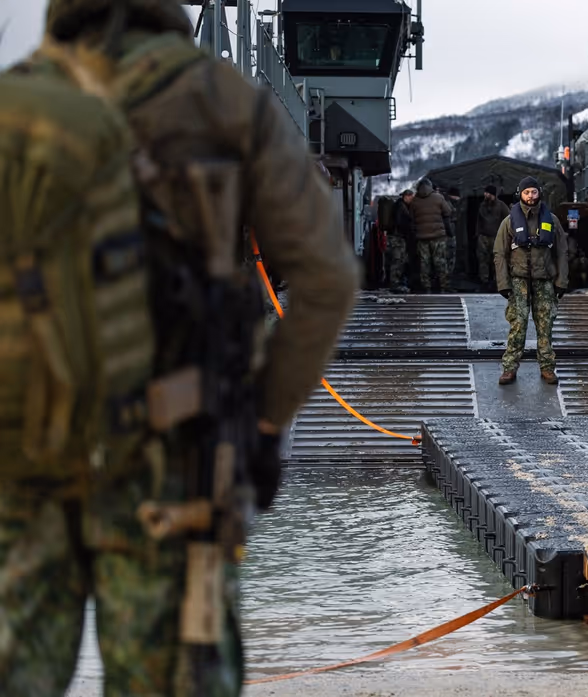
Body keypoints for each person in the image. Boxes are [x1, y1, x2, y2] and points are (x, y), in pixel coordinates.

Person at [0, 1, 358, 694]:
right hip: (170, 451)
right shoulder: (224, 100)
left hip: (23, 449)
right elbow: (326, 277)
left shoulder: (16, 99)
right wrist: (263, 415)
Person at [494, 176, 569, 385]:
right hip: (519, 281)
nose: (530, 196)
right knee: (517, 325)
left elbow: (562, 251)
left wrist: (562, 280)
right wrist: (503, 283)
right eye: (527, 192)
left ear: (539, 193)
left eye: (534, 192)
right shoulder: (509, 222)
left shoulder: (551, 220)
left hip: (544, 280)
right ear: (521, 194)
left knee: (545, 325)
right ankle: (509, 368)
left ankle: (547, 367)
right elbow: (499, 254)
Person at [409, 177, 454, 292]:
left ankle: (426, 288)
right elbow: (448, 211)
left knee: (424, 263)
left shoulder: (414, 201)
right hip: (438, 236)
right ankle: (444, 287)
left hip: (422, 237)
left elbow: (411, 218)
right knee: (440, 262)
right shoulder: (438, 197)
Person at [476, 184, 508, 290]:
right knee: (483, 260)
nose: (485, 194)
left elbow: (508, 220)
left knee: (497, 260)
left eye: (487, 193)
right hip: (483, 237)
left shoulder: (501, 206)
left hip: (497, 237)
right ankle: (484, 281)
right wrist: (478, 234)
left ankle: (496, 281)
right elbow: (479, 221)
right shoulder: (482, 206)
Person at [389, 188, 415, 293]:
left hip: (398, 237)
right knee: (398, 260)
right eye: (412, 198)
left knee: (400, 260)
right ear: (407, 196)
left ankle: (397, 282)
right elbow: (401, 223)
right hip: (398, 237)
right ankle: (395, 283)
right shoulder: (400, 207)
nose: (412, 200)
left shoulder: (400, 205)